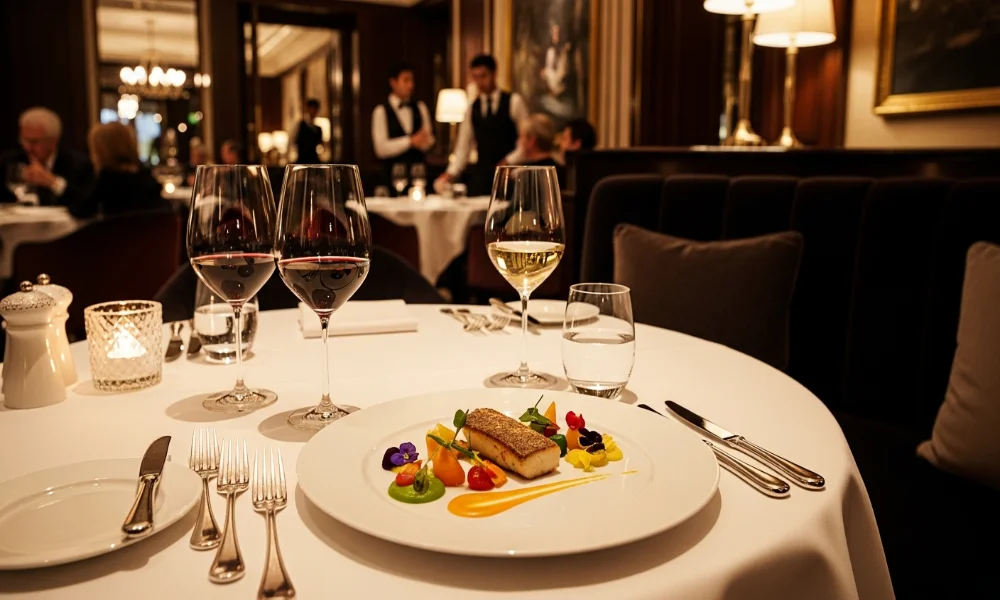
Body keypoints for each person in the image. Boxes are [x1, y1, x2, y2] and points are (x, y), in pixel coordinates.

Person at [435, 54, 528, 196]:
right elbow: (462, 149)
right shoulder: (472, 108)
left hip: (511, 176)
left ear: (494, 74)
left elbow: (527, 142)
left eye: (483, 76)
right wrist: (449, 174)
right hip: (483, 177)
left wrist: (509, 161)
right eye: (475, 77)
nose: (479, 82)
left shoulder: (514, 102)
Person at [68, 122, 168, 219]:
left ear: (102, 152)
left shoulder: (109, 181)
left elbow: (81, 211)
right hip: (151, 235)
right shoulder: (147, 177)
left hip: (121, 236)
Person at [0, 107, 93, 206]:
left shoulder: (78, 164)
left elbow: (86, 204)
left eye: (34, 142)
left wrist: (52, 182)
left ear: (53, 141)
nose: (27, 147)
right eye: (23, 140)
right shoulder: (9, 160)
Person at [371, 63, 434, 194]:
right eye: (406, 80)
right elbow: (380, 149)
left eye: (412, 80)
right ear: (393, 82)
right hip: (391, 180)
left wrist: (425, 141)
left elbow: (429, 140)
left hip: (418, 178)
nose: (411, 85)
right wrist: (410, 141)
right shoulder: (381, 111)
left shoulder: (420, 107)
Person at [516, 114, 565, 188]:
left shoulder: (527, 173)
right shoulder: (559, 170)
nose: (518, 141)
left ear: (531, 140)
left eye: (521, 136)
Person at [295, 99, 323, 164]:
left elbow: (320, 145)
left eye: (315, 109)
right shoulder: (300, 125)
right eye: (311, 108)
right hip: (302, 160)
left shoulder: (318, 129)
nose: (313, 111)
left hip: (314, 160)